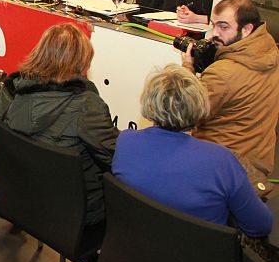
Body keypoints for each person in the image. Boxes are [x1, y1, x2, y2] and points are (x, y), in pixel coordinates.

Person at [113, 64, 273, 237]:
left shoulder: (126, 142)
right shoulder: (221, 162)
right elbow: (260, 226)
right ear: (200, 106)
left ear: (148, 103)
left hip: (131, 253)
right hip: (198, 261)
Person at [0, 23, 118, 225]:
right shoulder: (86, 106)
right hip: (71, 212)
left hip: (17, 192)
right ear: (80, 63)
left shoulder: (10, 89)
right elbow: (115, 159)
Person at [182, 0, 279, 178]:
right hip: (258, 165)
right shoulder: (271, 51)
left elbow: (184, 113)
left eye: (223, 27)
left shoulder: (222, 73)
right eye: (214, 25)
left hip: (220, 168)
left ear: (247, 29)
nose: (213, 34)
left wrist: (188, 69)